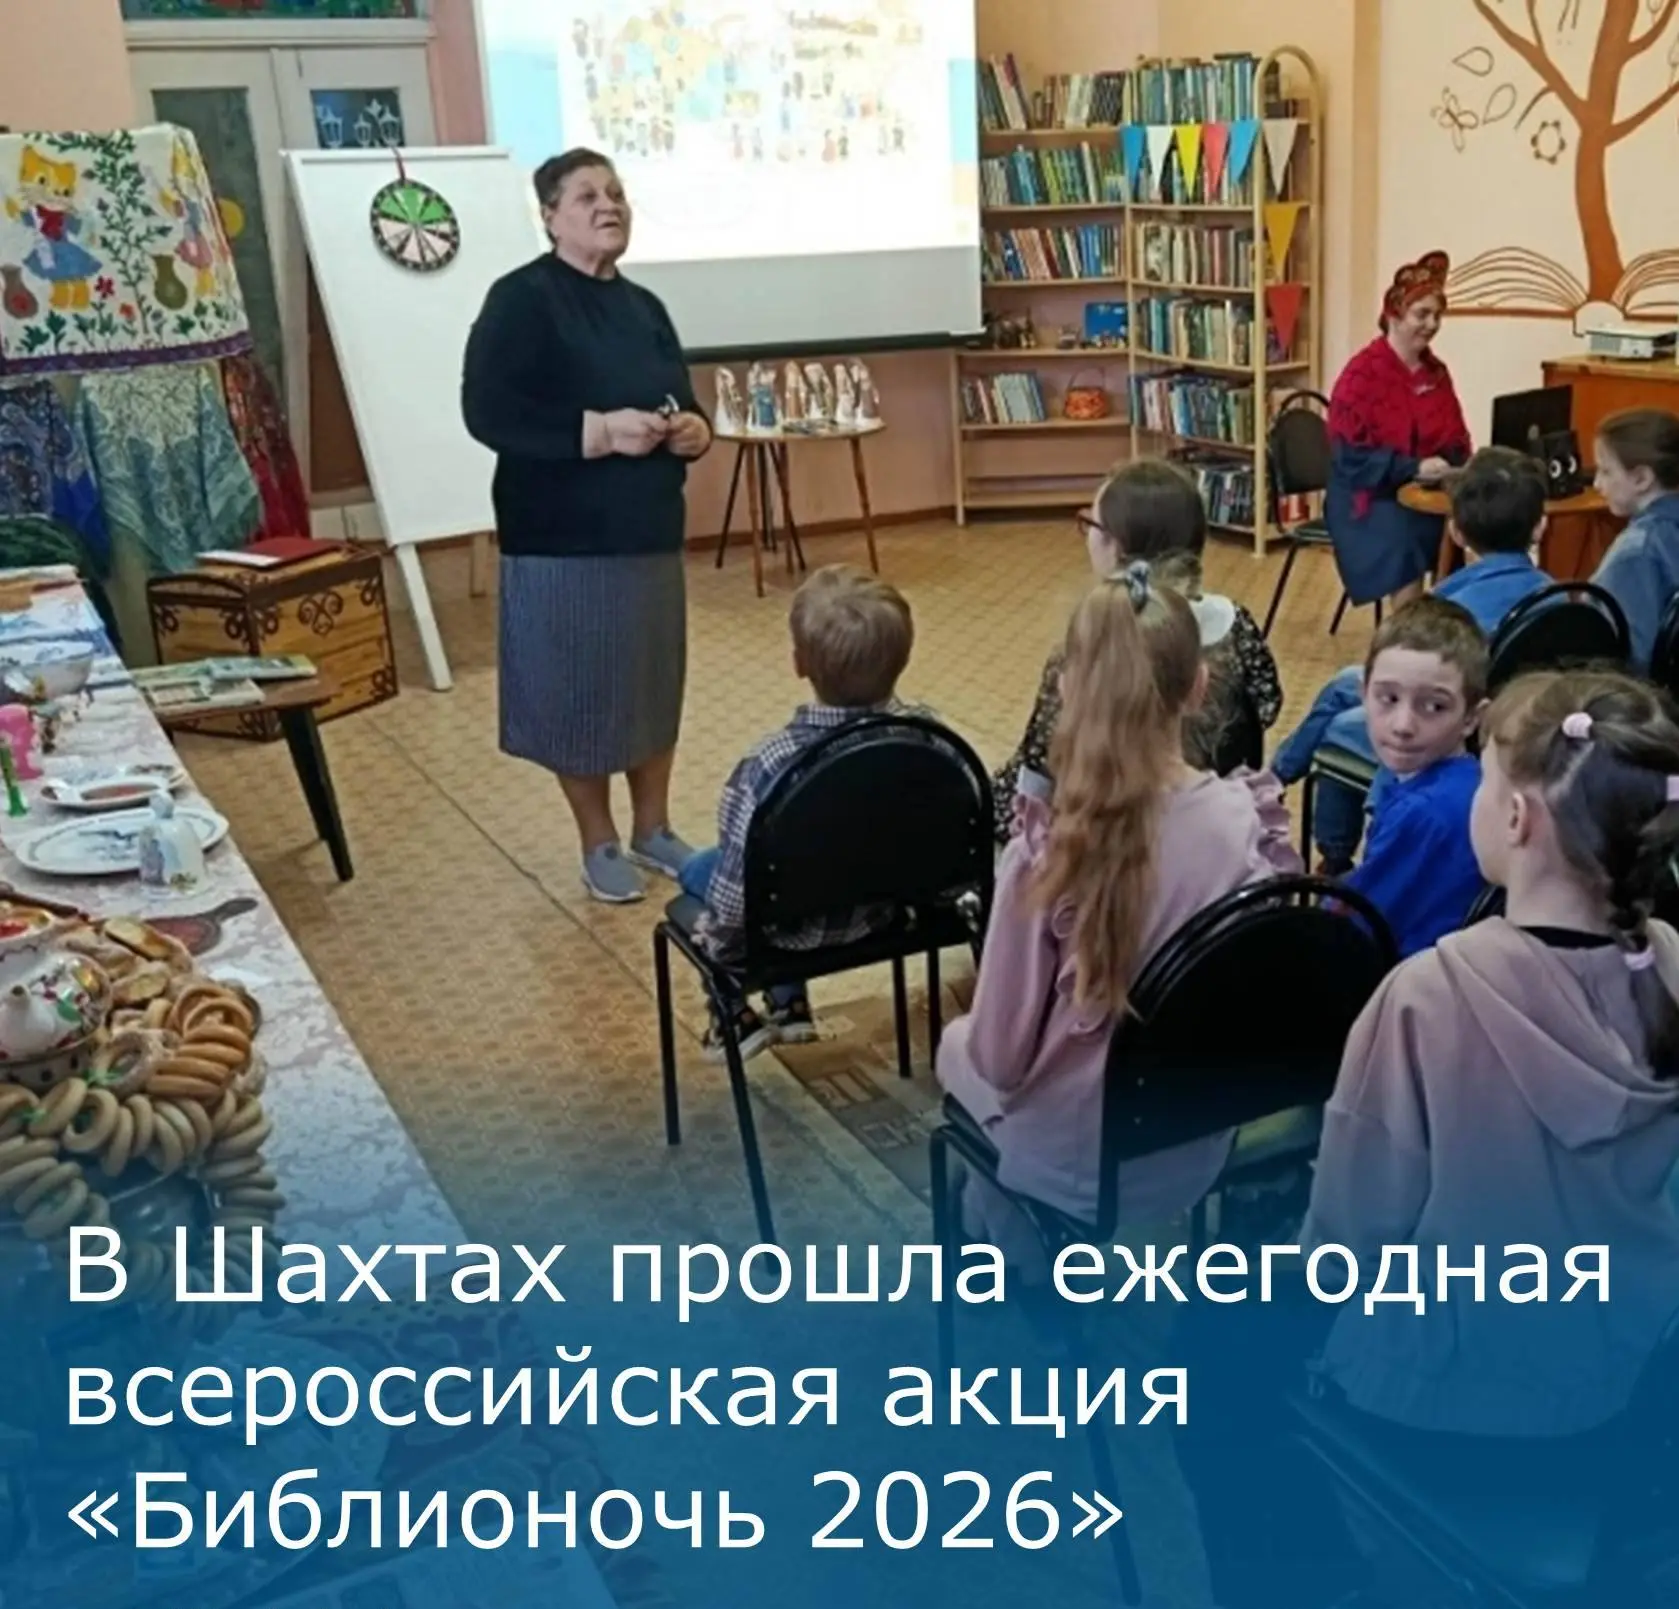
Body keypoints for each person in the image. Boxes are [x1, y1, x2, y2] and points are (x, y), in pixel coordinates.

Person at [1178, 668, 1679, 1609]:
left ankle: (1336, 1601)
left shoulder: (1428, 994)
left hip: (1450, 1401)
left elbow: (1344, 1247)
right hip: (1633, 1392)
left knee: (1207, 1334)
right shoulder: (1665, 960)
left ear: (1515, 816)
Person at [937, 566, 1300, 1244]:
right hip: (1194, 1142)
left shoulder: (1048, 851)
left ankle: (1009, 1234)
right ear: (1199, 687)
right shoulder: (1246, 822)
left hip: (1074, 1163)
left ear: (1068, 690)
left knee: (957, 1048)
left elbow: (1000, 1059)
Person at [462, 148, 712, 905]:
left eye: (616, 193)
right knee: (579, 695)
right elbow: (489, 413)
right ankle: (597, 839)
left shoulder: (645, 307)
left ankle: (653, 827)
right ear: (550, 217)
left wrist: (693, 430)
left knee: (650, 685)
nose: (609, 205)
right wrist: (599, 432)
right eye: (587, 196)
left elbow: (682, 398)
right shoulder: (520, 299)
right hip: (560, 539)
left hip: (647, 531)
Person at [680, 565, 917, 1060]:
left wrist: (720, 951)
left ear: (799, 663)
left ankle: (734, 1014)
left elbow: (733, 907)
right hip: (886, 914)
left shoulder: (769, 765)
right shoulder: (925, 738)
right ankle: (788, 1006)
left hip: (788, 928)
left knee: (697, 869)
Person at [1275, 447, 1550, 866]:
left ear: (1455, 531)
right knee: (1342, 684)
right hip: (1522, 728)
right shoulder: (1562, 596)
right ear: (1540, 527)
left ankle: (1332, 855)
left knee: (1335, 725)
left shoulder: (1446, 616)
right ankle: (1277, 775)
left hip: (1452, 739)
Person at [990, 459, 1280, 839]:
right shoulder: (1235, 624)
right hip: (1217, 815)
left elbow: (1041, 764)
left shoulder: (1090, 645)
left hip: (1107, 829)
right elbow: (1266, 706)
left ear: (1118, 545)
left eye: (1091, 525)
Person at [1326, 250, 1472, 612]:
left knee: (1467, 524)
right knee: (1404, 539)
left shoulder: (1436, 373)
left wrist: (1450, 464)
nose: (1432, 324)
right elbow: (1350, 459)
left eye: (1437, 316)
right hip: (1366, 497)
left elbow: (1456, 438)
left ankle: (1446, 627)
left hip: (1422, 492)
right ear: (1394, 314)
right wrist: (1412, 467)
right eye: (1422, 314)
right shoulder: (1361, 376)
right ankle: (1408, 633)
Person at [1343, 597, 1487, 957]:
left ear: (1472, 718)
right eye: (1388, 698)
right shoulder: (1474, 778)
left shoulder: (1422, 814)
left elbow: (1350, 931)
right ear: (1363, 694)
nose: (1403, 726)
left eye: (1434, 706)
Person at [1147, 546, 1282, 771]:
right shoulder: (1149, 631)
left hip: (1231, 750)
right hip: (1174, 756)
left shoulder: (1232, 619)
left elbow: (1267, 693)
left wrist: (1243, 732)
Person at [1590, 408, 1679, 672]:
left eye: (1606, 471)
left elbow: (1629, 664)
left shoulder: (1635, 554)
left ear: (1641, 478)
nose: (1597, 484)